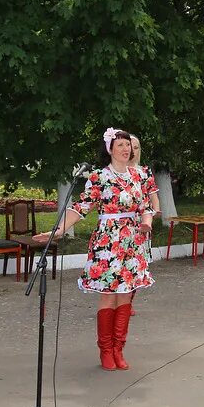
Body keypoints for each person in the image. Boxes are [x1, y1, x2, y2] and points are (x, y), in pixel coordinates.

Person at [39, 128, 155, 370]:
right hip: (108, 242)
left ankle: (118, 349)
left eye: (128, 145)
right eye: (120, 145)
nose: (126, 149)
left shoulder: (139, 176)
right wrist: (59, 229)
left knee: (125, 295)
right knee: (109, 295)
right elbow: (82, 207)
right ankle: (105, 351)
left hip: (133, 242)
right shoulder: (99, 177)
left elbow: (146, 206)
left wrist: (147, 223)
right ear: (110, 149)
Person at [128, 134, 161, 316]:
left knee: (135, 266)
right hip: (120, 226)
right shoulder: (112, 173)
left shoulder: (144, 172)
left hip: (141, 225)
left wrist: (154, 212)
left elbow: (154, 197)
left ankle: (128, 301)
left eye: (136, 147)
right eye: (129, 146)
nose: (132, 151)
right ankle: (116, 299)